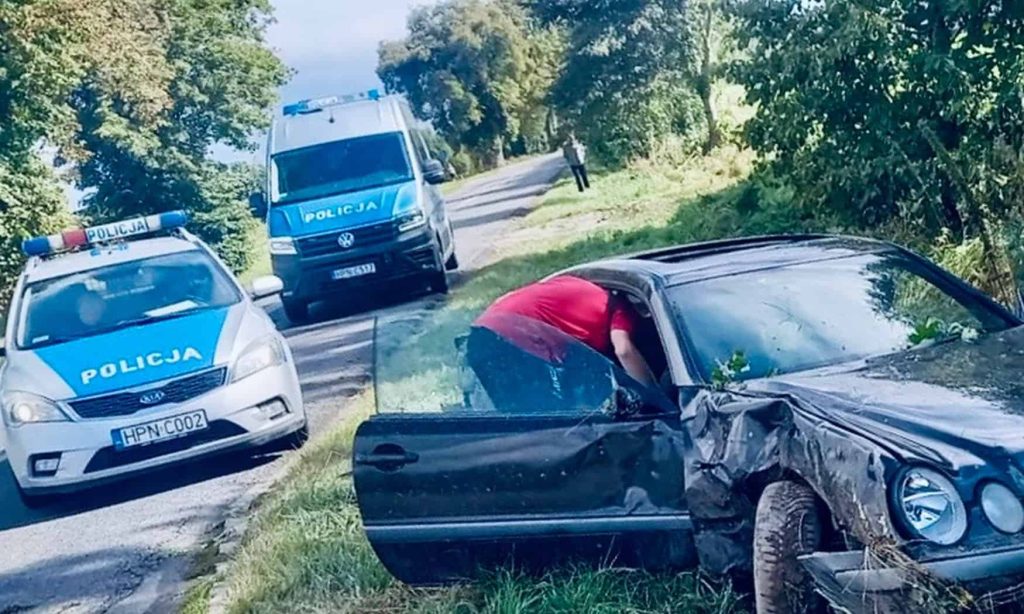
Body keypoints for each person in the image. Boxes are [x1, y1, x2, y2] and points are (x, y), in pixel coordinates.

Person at [465, 275, 656, 412]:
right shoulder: (621, 309)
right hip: (508, 340)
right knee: (544, 419)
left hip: (480, 334)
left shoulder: (580, 287)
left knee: (517, 417)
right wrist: (653, 398)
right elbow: (624, 350)